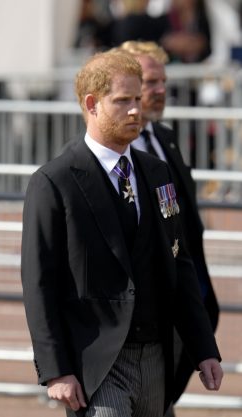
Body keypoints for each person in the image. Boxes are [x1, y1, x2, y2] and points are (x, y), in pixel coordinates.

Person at [20, 50, 223, 417]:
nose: (136, 110)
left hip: (157, 358)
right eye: (123, 101)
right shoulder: (54, 182)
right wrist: (57, 370)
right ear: (92, 104)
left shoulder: (157, 172)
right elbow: (39, 285)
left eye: (137, 99)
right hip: (96, 365)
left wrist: (204, 347)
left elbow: (180, 264)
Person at [118, 40, 220, 417]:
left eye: (163, 81)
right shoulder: (119, 155)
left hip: (184, 295)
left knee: (162, 398)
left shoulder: (165, 139)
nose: (160, 90)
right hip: (147, 310)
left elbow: (186, 225)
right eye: (149, 81)